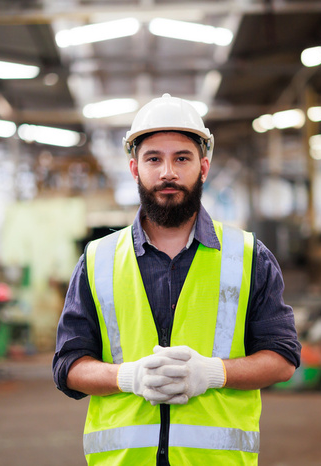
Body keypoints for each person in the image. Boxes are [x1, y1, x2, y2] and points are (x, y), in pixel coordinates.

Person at [53, 93, 301, 465]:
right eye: (154, 159)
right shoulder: (98, 260)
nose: (167, 172)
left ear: (203, 167)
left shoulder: (248, 256)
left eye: (181, 158)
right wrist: (128, 377)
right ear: (135, 169)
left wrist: (213, 373)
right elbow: (68, 365)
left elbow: (282, 358)